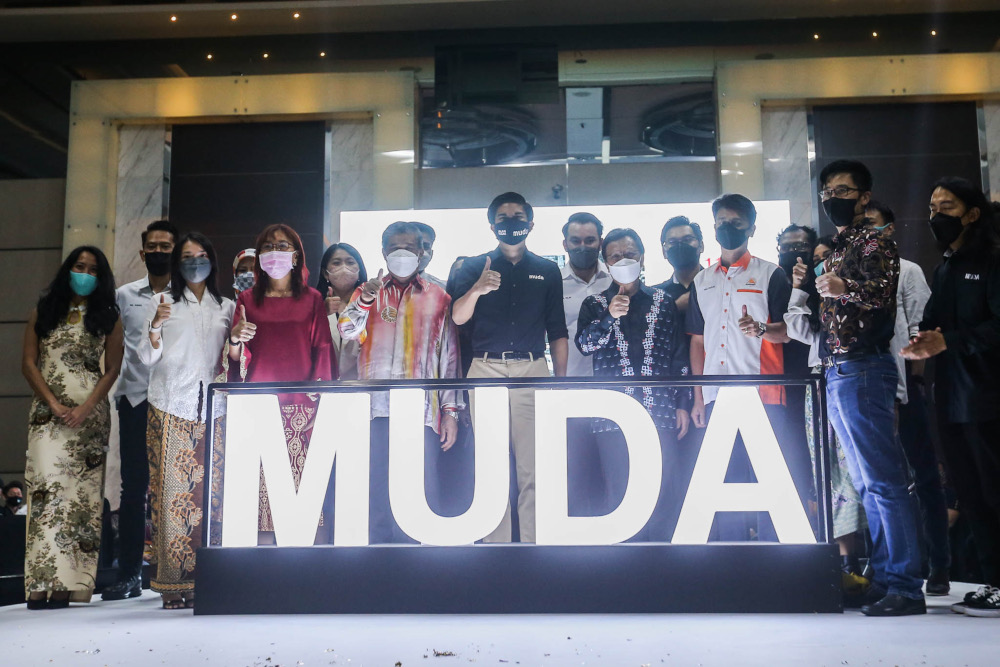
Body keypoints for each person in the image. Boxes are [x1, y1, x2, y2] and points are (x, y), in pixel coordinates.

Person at [817, 159, 924, 616]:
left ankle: (904, 584)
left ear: (864, 197)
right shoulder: (836, 249)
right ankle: (885, 577)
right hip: (839, 368)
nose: (834, 198)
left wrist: (843, 287)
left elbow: (880, 294)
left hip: (864, 366)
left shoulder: (875, 242)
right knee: (865, 482)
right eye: (828, 192)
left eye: (844, 190)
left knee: (884, 481)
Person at [687, 194, 813, 543]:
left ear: (751, 228)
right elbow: (697, 341)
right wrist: (698, 397)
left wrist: (760, 329)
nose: (727, 228)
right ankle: (731, 560)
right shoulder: (702, 280)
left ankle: (775, 558)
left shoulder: (770, 274)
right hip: (715, 395)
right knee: (724, 482)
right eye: (721, 223)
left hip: (765, 392)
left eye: (736, 223)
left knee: (771, 480)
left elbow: (789, 332)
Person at [903, 179, 1000, 618]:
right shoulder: (945, 266)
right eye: (932, 206)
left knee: (995, 490)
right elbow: (934, 323)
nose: (936, 215)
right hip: (953, 398)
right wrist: (921, 340)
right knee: (971, 492)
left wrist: (946, 342)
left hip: (990, 397)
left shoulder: (993, 258)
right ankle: (993, 581)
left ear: (972, 213)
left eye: (947, 206)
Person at [448, 192, 568, 543]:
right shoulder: (473, 266)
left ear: (531, 223)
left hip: (532, 370)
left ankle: (533, 545)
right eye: (503, 217)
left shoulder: (546, 270)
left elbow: (557, 330)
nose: (511, 222)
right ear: (491, 225)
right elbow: (457, 318)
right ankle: (496, 549)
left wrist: (560, 383)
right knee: (491, 464)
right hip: (485, 371)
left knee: (534, 465)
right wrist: (477, 289)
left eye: (518, 216)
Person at [339, 221, 461, 543]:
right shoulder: (367, 292)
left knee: (423, 490)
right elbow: (347, 331)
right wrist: (365, 299)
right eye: (395, 248)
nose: (402, 254)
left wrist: (450, 411)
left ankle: (420, 569)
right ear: (383, 252)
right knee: (377, 490)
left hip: (421, 410)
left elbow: (448, 358)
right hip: (375, 409)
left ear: (422, 253)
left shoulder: (439, 297)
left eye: (410, 248)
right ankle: (379, 566)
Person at [22, 246, 123, 609]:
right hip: (47, 414)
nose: (85, 273)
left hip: (89, 417)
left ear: (102, 277)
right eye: (79, 266)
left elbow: (111, 369)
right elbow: (29, 363)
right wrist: (53, 403)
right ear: (68, 270)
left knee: (79, 500)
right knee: (45, 495)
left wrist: (85, 408)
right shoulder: (44, 310)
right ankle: (39, 583)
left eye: (93, 269)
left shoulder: (108, 316)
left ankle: (66, 586)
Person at [576, 228, 691, 540]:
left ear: (642, 258)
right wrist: (609, 317)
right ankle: (626, 573)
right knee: (619, 492)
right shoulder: (595, 303)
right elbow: (585, 345)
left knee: (665, 490)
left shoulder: (663, 302)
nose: (623, 260)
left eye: (629, 254)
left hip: (662, 411)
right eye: (615, 256)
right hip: (612, 417)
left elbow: (678, 357)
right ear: (606, 263)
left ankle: (664, 566)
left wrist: (682, 405)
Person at [139, 232, 234, 608]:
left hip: (215, 409)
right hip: (169, 405)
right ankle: (173, 584)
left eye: (201, 256)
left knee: (210, 496)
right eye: (187, 257)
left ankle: (206, 580)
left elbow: (232, 356)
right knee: (171, 498)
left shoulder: (226, 306)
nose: (195, 262)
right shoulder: (162, 302)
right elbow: (146, 359)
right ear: (178, 264)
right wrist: (156, 327)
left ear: (212, 260)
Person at [226, 224, 336, 543]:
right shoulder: (247, 299)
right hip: (259, 404)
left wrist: (322, 398)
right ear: (259, 257)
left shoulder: (312, 299)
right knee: (261, 487)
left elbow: (324, 350)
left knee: (302, 487)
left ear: (297, 254)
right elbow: (236, 356)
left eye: (283, 246)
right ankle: (263, 566)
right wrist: (235, 338)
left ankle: (303, 565)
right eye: (268, 247)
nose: (276, 252)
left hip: (303, 406)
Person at [865, 200, 950, 596]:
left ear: (891, 229)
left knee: (924, 477)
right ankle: (886, 564)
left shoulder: (908, 270)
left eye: (875, 224)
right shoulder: (852, 269)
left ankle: (939, 564)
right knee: (880, 480)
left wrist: (914, 386)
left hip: (907, 387)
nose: (869, 231)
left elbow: (920, 326)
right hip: (872, 388)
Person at [784, 246, 869, 596]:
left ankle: (878, 562)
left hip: (858, 375)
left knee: (863, 473)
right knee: (828, 473)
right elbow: (795, 326)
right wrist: (800, 287)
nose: (819, 265)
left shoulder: (862, 293)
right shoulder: (815, 301)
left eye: (824, 258)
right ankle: (846, 563)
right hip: (819, 382)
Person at [102, 220, 177, 601]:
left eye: (167, 245)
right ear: (142, 252)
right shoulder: (123, 295)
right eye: (154, 246)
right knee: (134, 490)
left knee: (177, 490)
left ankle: (176, 572)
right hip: (133, 400)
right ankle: (129, 573)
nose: (160, 251)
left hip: (176, 404)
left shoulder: (191, 295)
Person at [560, 212, 612, 517]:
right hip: (571, 388)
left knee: (612, 471)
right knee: (575, 470)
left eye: (590, 240)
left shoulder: (617, 280)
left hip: (614, 389)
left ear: (599, 242)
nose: (583, 246)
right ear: (564, 243)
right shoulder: (553, 283)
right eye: (576, 241)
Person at [317, 242, 367, 380]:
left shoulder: (372, 304)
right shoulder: (314, 305)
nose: (344, 268)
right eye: (336, 263)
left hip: (361, 385)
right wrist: (322, 314)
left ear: (359, 270)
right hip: (322, 385)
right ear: (325, 273)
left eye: (350, 262)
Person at [655, 215, 705, 312]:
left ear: (701, 246)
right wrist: (675, 307)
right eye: (673, 242)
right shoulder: (656, 295)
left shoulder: (720, 285)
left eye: (687, 240)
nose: (680, 245)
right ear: (664, 252)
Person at [413, 221, 447, 288]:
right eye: (413, 245)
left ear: (431, 255)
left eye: (425, 246)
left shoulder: (444, 289)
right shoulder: (385, 286)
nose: (420, 251)